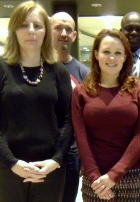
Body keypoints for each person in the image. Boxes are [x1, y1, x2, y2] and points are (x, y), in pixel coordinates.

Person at [0, 1, 73, 202]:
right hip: (6, 170)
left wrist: (55, 160)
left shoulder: (59, 72)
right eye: (24, 25)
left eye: (37, 25)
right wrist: (12, 163)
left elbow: (68, 121)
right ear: (13, 29)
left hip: (49, 171)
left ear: (45, 32)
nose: (31, 31)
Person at [71, 28, 140, 201]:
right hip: (95, 178)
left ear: (125, 57)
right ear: (96, 54)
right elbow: (81, 137)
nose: (112, 58)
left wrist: (115, 174)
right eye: (106, 51)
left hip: (132, 175)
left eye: (118, 53)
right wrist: (94, 175)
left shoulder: (139, 90)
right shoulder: (81, 92)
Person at [50, 11, 89, 202]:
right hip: (40, 153)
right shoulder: (36, 68)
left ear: (74, 36)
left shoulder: (85, 74)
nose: (63, 33)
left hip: (71, 156)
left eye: (68, 29)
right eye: (58, 28)